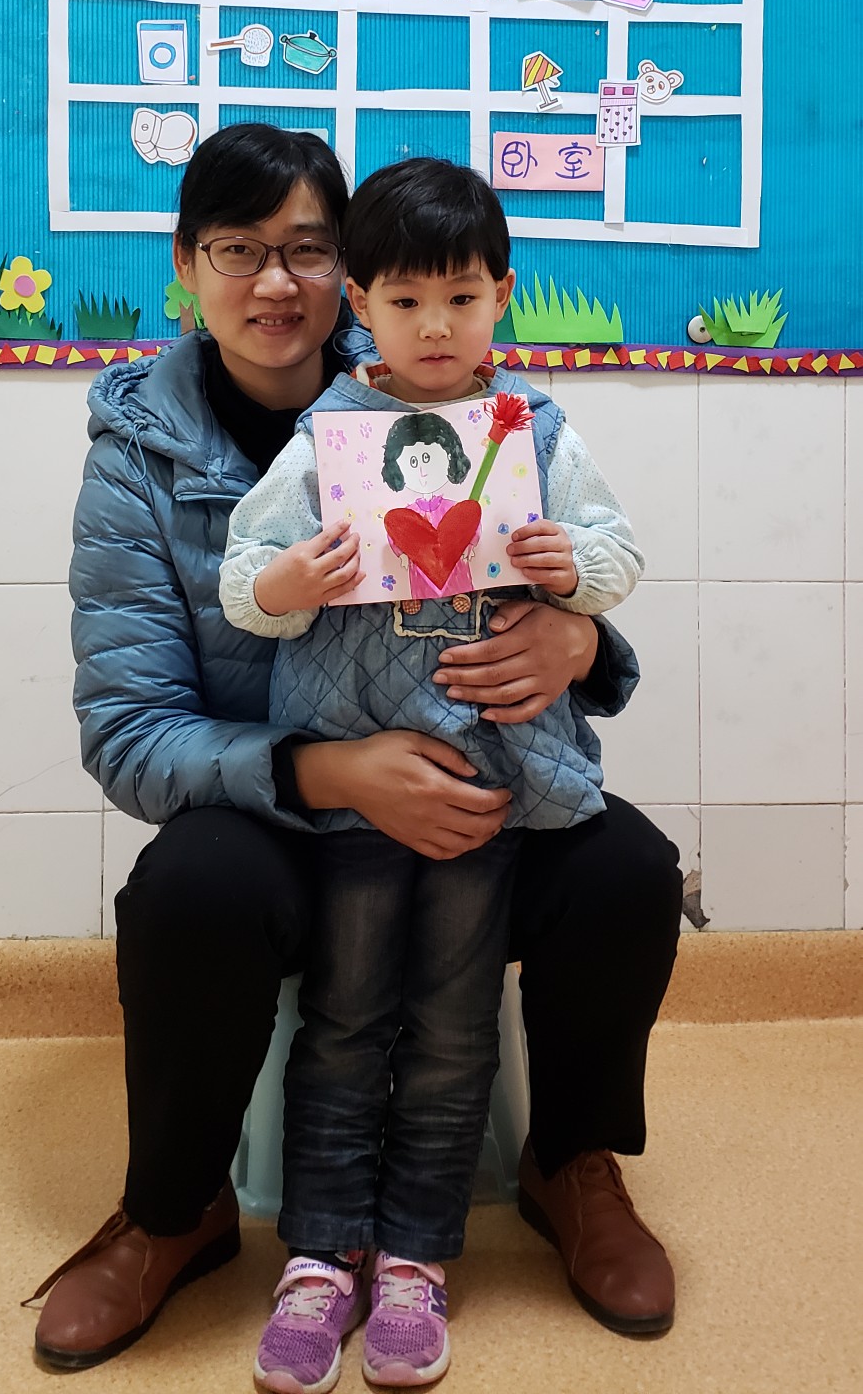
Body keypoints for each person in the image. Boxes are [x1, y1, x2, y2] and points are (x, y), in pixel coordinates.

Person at [25, 123, 682, 1374]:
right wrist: (324, 771)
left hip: (478, 778)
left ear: (350, 275)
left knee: (626, 871)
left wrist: (576, 639)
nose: (276, 281)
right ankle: (174, 1209)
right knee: (191, 891)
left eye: (306, 249)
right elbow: (129, 732)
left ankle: (571, 1162)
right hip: (286, 800)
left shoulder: (474, 406)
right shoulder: (141, 461)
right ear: (186, 267)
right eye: (238, 250)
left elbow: (589, 563)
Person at [219, 157, 645, 1390]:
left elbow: (617, 554)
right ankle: (319, 1257)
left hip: (485, 788)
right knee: (346, 1019)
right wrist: (287, 584)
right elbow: (243, 583)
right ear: (360, 305)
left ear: (501, 294)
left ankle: (413, 1256)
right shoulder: (324, 440)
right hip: (358, 788)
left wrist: (571, 572)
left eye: (461, 297)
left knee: (454, 1030)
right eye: (405, 301)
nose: (436, 326)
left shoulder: (535, 432)